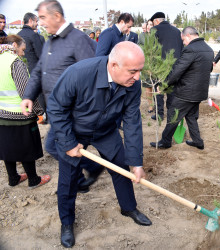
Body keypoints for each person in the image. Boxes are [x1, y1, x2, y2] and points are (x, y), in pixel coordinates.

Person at [38, 41, 151, 248]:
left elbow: (133, 121)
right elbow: (55, 107)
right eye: (133, 71)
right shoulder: (79, 73)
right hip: (74, 131)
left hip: (106, 131)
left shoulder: (132, 84)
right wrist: (68, 142)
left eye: (140, 71)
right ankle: (67, 223)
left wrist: (136, 162)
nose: (137, 77)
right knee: (69, 180)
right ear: (114, 65)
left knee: (121, 168)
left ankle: (128, 208)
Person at [21, 0, 101, 193]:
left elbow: (91, 77)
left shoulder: (78, 39)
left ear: (56, 16)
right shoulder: (51, 40)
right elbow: (40, 71)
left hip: (71, 112)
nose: (40, 22)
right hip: (57, 111)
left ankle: (85, 174)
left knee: (56, 146)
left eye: (42, 17)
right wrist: (29, 95)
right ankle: (83, 176)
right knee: (60, 147)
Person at [150, 27, 214, 149]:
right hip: (200, 92)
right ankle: (198, 141)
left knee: (173, 115)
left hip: (186, 92)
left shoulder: (190, 49)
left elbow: (177, 71)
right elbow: (208, 69)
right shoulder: (208, 49)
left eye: (183, 40)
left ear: (189, 36)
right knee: (191, 116)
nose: (183, 43)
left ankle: (165, 141)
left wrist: (164, 85)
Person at [0, 35, 50, 189]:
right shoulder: (15, 62)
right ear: (14, 45)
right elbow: (25, 92)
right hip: (20, 114)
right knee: (27, 147)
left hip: (2, 114)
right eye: (22, 49)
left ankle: (13, 177)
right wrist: (39, 111)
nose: (23, 53)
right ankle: (33, 179)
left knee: (6, 146)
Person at [150, 11, 183, 121]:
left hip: (160, 68)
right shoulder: (177, 31)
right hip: (175, 67)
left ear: (156, 21)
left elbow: (152, 50)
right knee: (172, 92)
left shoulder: (155, 30)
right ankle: (171, 114)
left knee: (159, 92)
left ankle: (159, 114)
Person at [138, 20, 154, 113]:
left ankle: (158, 105)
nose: (149, 26)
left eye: (151, 25)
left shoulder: (156, 35)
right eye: (148, 24)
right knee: (148, 86)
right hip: (146, 64)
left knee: (157, 86)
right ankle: (151, 105)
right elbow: (139, 47)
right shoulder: (142, 36)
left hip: (156, 64)